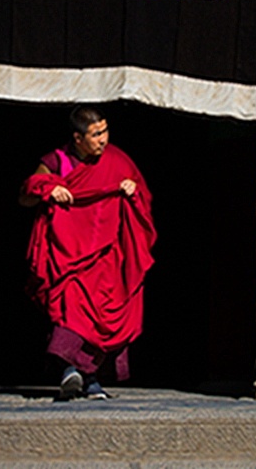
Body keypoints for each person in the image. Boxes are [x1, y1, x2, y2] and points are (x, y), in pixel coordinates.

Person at [20, 106, 156, 400]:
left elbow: (144, 198)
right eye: (96, 135)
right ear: (78, 138)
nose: (103, 139)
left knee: (102, 314)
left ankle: (89, 377)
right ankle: (71, 371)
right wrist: (48, 189)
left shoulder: (117, 160)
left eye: (105, 131)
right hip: (67, 255)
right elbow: (26, 195)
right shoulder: (58, 161)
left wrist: (133, 190)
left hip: (106, 256)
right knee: (71, 312)